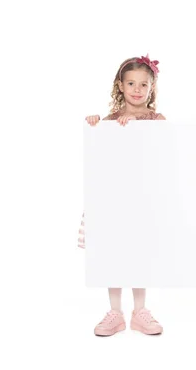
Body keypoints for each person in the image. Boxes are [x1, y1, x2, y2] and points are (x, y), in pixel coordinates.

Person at [80, 54, 166, 336]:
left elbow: (164, 149)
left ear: (151, 88)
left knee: (139, 253)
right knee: (111, 252)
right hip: (114, 198)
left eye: (144, 84)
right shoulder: (110, 120)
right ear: (120, 85)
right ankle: (114, 312)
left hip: (143, 198)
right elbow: (101, 154)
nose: (137, 90)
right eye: (131, 83)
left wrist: (140, 123)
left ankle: (139, 311)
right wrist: (96, 124)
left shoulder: (157, 119)